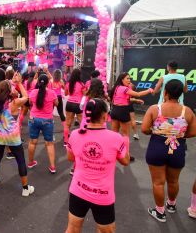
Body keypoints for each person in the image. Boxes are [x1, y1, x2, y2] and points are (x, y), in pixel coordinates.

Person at [65, 98, 130, 233]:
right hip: (102, 195)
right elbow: (126, 161)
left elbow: (70, 158)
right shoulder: (116, 138)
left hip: (78, 190)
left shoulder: (75, 134)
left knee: (72, 228)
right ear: (105, 116)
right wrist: (125, 142)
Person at [141, 79, 196, 222]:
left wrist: (158, 132)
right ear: (179, 94)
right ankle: (171, 205)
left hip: (157, 147)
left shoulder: (154, 109)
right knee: (173, 181)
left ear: (165, 92)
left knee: (158, 183)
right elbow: (193, 132)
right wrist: (178, 135)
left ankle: (160, 212)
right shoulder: (188, 111)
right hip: (177, 148)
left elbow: (145, 129)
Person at [0, 74, 34, 196]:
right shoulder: (14, 103)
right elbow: (26, 96)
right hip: (13, 138)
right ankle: (25, 188)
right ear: (9, 91)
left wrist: (12, 84)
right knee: (20, 160)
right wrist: (19, 83)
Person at [110, 73, 153, 161]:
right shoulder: (124, 88)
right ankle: (126, 156)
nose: (129, 81)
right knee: (125, 135)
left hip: (114, 110)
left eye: (130, 79)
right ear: (122, 79)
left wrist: (135, 100)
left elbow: (125, 98)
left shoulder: (116, 88)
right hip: (122, 111)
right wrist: (149, 90)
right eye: (127, 79)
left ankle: (112, 153)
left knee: (114, 133)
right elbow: (138, 94)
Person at [27, 73, 58, 173]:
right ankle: (52, 167)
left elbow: (30, 103)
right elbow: (57, 104)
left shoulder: (33, 92)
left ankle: (30, 162)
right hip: (47, 120)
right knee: (49, 144)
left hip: (33, 119)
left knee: (32, 142)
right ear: (48, 83)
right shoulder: (52, 93)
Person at [64, 69, 85, 143]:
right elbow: (85, 94)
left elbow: (66, 94)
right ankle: (82, 139)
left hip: (69, 103)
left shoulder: (68, 83)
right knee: (82, 122)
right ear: (79, 75)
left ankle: (66, 140)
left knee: (67, 124)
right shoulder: (81, 84)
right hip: (78, 105)